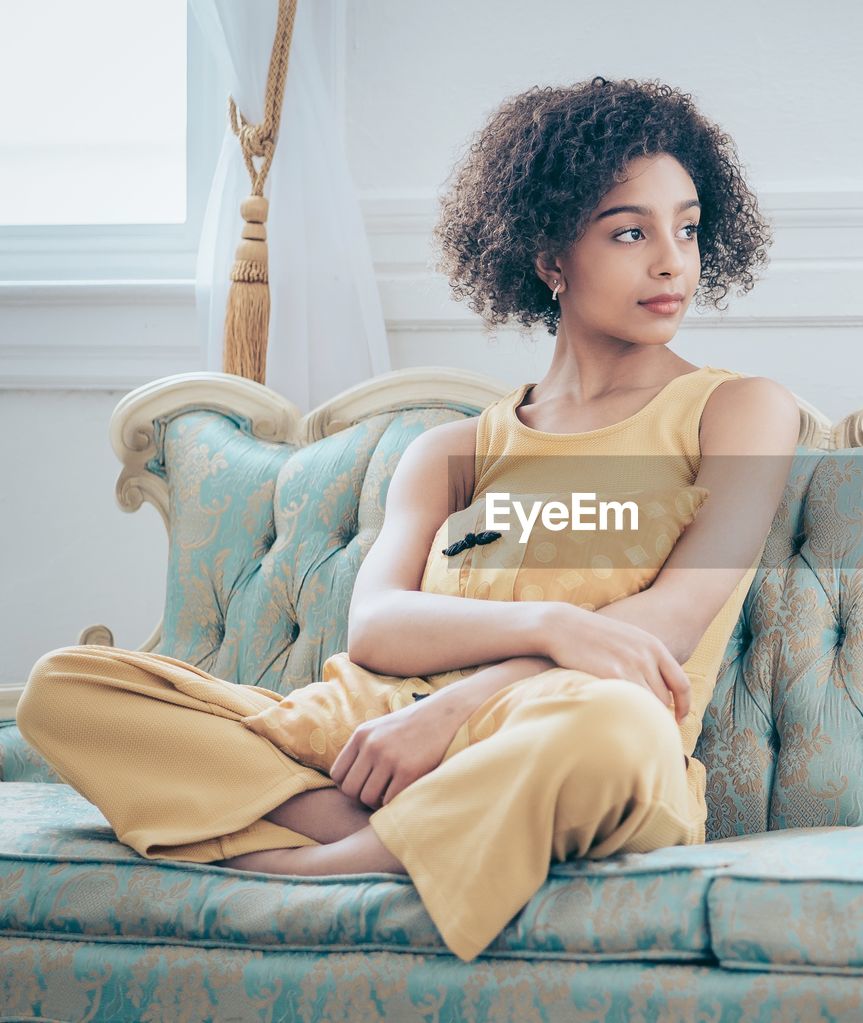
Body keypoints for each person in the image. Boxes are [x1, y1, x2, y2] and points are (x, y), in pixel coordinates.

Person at [16, 76, 799, 963]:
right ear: (549, 254)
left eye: (687, 227)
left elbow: (663, 629)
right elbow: (378, 627)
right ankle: (396, 834)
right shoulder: (453, 451)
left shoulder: (739, 412)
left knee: (615, 725)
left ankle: (330, 861)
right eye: (631, 231)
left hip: (568, 736)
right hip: (374, 728)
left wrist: (454, 709)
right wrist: (545, 623)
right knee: (67, 688)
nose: (672, 261)